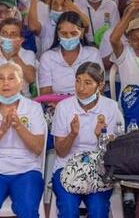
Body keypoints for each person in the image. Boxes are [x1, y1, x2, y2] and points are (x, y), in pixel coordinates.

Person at [0, 62, 46, 218]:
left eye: (11, 78)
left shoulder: (33, 108)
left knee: (28, 212)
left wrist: (18, 126)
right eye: (1, 78)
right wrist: (1, 130)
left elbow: (38, 148)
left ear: (21, 83)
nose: (5, 83)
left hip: (27, 171)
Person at [51, 62, 123, 217]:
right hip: (67, 167)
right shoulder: (63, 108)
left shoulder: (111, 108)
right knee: (68, 209)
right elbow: (61, 152)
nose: (80, 88)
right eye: (78, 81)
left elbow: (116, 154)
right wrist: (72, 134)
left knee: (98, 209)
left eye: (87, 83)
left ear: (100, 85)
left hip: (99, 168)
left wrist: (100, 137)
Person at [38, 11, 102, 96]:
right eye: (64, 33)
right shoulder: (47, 57)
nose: (69, 37)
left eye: (73, 33)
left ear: (82, 33)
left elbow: (98, 87)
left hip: (87, 103)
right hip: (56, 105)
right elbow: (46, 93)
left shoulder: (93, 53)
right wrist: (64, 106)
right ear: (58, 34)